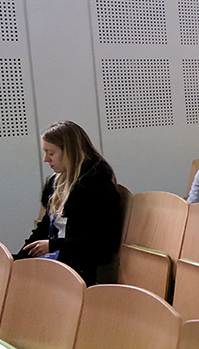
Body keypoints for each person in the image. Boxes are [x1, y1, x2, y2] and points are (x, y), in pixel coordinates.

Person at [18, 121, 122, 285]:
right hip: (59, 258)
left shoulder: (95, 186)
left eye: (51, 153)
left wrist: (54, 245)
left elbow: (101, 242)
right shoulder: (58, 182)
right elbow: (44, 227)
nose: (45, 159)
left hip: (78, 265)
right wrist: (19, 259)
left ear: (69, 153)